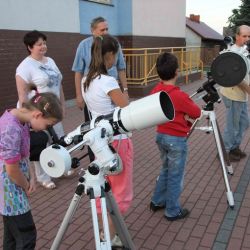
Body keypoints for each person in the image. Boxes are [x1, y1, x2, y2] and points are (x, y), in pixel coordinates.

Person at [81, 34, 133, 247]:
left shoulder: (86, 81)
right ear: (109, 55)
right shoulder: (108, 81)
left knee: (104, 188)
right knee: (120, 194)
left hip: (99, 143)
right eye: (116, 55)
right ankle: (107, 238)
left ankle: (107, 232)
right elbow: (126, 107)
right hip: (118, 141)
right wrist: (125, 89)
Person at [0, 84, 63, 250]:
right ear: (37, 114)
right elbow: (12, 169)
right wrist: (26, 185)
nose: (47, 129)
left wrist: (31, 177)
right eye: (48, 125)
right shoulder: (10, 128)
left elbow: (22, 157)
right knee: (26, 235)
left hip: (14, 184)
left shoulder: (22, 121)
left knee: (12, 236)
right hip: (10, 188)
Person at [15, 30, 72, 189]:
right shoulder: (24, 67)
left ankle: (59, 166)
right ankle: (42, 176)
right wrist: (31, 117)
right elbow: (22, 95)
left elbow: (58, 84)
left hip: (52, 109)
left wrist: (62, 105)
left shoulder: (50, 61)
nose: (43, 47)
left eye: (44, 43)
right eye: (39, 44)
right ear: (29, 46)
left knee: (58, 139)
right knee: (41, 142)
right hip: (37, 112)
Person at [149, 52, 201, 221]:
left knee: (165, 169)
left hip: (161, 137)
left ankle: (157, 201)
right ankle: (172, 210)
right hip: (176, 141)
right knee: (175, 175)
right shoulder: (179, 95)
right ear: (177, 71)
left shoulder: (156, 91)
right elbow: (197, 112)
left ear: (158, 72)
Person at [72, 16, 129, 162]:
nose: (105, 32)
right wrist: (79, 95)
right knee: (94, 127)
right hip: (96, 92)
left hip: (109, 91)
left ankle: (104, 157)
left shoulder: (114, 43)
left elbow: (121, 68)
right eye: (102, 29)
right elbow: (78, 71)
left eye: (107, 29)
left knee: (102, 128)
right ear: (93, 31)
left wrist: (125, 89)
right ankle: (98, 157)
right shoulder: (83, 45)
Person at [220, 25, 250, 162]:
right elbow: (235, 78)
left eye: (249, 36)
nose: (247, 39)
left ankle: (234, 147)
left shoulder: (243, 50)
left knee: (244, 122)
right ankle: (225, 151)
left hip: (242, 95)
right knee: (232, 124)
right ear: (237, 36)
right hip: (233, 94)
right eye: (244, 36)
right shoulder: (232, 53)